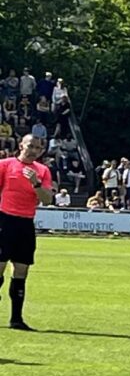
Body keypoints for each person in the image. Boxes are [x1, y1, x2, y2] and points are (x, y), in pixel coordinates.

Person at [0, 135, 55, 330]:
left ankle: (16, 319)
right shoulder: (5, 165)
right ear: (21, 145)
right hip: (4, 220)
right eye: (30, 146)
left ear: (41, 151)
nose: (33, 150)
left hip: (25, 223)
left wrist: (36, 183)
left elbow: (47, 199)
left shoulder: (42, 171)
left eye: (37, 148)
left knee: (21, 270)